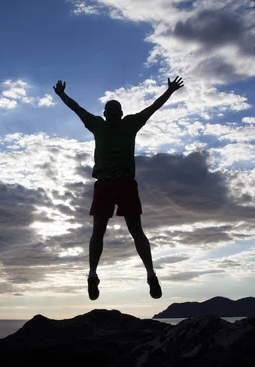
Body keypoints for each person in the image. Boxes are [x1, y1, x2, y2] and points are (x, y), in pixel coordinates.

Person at [53, 76, 184, 300]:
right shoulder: (98, 124)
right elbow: (77, 108)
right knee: (99, 231)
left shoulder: (129, 123)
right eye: (110, 110)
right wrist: (63, 95)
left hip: (124, 182)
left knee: (135, 231)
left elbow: (153, 107)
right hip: (105, 183)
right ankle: (92, 276)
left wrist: (169, 91)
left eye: (115, 110)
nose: (112, 113)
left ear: (120, 113)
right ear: (106, 114)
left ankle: (151, 275)